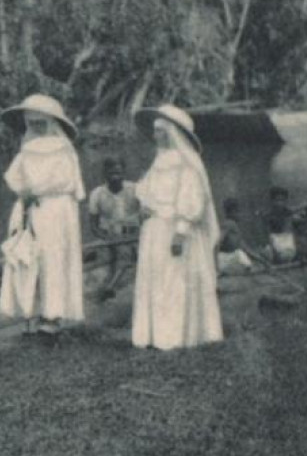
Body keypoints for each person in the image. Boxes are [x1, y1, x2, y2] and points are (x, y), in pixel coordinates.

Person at [130, 105, 224, 350]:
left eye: (161, 131)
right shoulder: (159, 161)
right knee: (157, 280)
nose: (156, 136)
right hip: (154, 229)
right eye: (155, 131)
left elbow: (192, 200)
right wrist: (144, 205)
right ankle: (154, 334)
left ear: (173, 133)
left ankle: (175, 337)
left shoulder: (187, 165)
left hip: (174, 229)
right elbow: (146, 190)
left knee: (174, 281)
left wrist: (181, 232)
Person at [0, 94, 86, 336]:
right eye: (32, 122)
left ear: (51, 122)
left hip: (55, 211)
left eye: (40, 122)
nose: (36, 127)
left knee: (53, 259)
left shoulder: (64, 149)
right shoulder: (27, 149)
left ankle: (53, 315)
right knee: (29, 256)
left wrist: (36, 190)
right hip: (30, 209)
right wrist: (24, 192)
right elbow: (13, 176)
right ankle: (32, 310)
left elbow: (67, 182)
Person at [87, 157, 141, 293]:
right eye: (111, 173)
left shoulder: (136, 190)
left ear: (124, 172)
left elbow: (147, 215)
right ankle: (100, 285)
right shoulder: (97, 194)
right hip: (108, 235)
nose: (115, 177)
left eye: (118, 172)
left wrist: (136, 234)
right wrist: (105, 237)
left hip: (131, 235)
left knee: (124, 253)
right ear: (105, 173)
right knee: (102, 257)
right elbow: (93, 225)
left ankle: (110, 288)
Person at [216, 197, 258, 273]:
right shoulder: (228, 224)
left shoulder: (234, 226)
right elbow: (217, 243)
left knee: (242, 256)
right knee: (239, 254)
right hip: (223, 259)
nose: (241, 215)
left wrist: (264, 262)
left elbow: (245, 248)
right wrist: (215, 264)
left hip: (228, 259)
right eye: (239, 212)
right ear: (232, 212)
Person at [262, 186, 303, 264]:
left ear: (286, 201)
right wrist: (274, 249)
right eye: (276, 200)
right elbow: (268, 235)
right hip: (274, 240)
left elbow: (299, 208)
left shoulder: (287, 212)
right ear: (272, 201)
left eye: (282, 200)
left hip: (286, 238)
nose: (279, 203)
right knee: (267, 252)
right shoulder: (268, 215)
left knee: (288, 254)